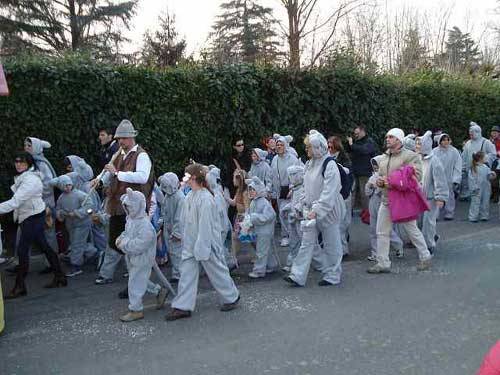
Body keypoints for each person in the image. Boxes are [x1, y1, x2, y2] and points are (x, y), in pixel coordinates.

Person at [165, 163, 240, 321]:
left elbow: (206, 226)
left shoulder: (206, 198)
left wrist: (202, 246)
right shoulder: (190, 196)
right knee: (186, 273)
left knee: (217, 271)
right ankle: (183, 306)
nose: (184, 180)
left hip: (205, 243)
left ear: (194, 178)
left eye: (187, 177)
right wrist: (186, 240)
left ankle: (231, 297)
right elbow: (185, 221)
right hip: (191, 244)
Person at [91, 119, 155, 297]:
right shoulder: (119, 154)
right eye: (119, 138)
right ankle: (140, 283)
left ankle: (138, 284)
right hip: (119, 206)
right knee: (116, 243)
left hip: (135, 209)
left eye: (124, 138)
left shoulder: (141, 155)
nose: (120, 142)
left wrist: (117, 173)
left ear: (131, 138)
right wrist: (99, 180)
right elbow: (110, 173)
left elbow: (142, 177)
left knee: (129, 247)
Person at [367, 128, 433, 274]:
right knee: (382, 232)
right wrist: (379, 181)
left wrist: (389, 182)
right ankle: (383, 263)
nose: (387, 139)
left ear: (398, 139)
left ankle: (425, 256)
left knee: (411, 230)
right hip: (386, 199)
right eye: (387, 137)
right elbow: (381, 175)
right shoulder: (385, 157)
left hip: (402, 201)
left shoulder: (410, 156)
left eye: (391, 137)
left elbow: (416, 177)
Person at [1, 152, 66, 299]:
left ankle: (20, 287)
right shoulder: (25, 178)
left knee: (23, 251)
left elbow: (15, 202)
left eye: (22, 162)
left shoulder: (30, 180)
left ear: (29, 164)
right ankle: (60, 277)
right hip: (31, 216)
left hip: (32, 217)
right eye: (16, 161)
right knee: (44, 247)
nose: (18, 164)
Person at [284, 130, 344, 287]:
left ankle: (333, 275)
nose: (307, 150)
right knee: (306, 243)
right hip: (311, 211)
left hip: (328, 211)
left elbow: (329, 192)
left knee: (332, 243)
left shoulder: (330, 164)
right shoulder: (309, 164)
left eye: (309, 147)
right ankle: (297, 275)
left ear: (317, 147)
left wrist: (316, 210)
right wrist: (301, 205)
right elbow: (305, 188)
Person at [115, 189, 163, 322]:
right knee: (139, 279)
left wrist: (123, 244)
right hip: (132, 257)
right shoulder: (131, 220)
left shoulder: (145, 225)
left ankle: (136, 310)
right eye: (126, 207)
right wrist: (121, 239)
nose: (128, 209)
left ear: (138, 206)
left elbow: (139, 245)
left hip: (142, 258)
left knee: (135, 283)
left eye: (130, 207)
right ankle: (159, 291)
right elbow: (126, 234)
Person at [54, 175, 97, 277]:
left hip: (82, 223)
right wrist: (60, 214)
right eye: (64, 186)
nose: (67, 187)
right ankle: (94, 253)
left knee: (77, 243)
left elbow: (90, 207)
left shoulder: (80, 195)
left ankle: (76, 266)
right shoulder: (61, 197)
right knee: (75, 242)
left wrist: (78, 213)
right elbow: (58, 208)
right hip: (70, 223)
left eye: (69, 185)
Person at [415, 131, 448, 254]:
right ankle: (430, 237)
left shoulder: (434, 161)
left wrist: (440, 197)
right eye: (416, 144)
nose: (417, 147)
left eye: (419, 144)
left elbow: (440, 180)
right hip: (418, 197)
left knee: (428, 222)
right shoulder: (417, 158)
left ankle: (429, 245)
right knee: (418, 222)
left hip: (430, 198)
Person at [365, 157, 403, 261]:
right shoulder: (372, 177)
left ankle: (398, 246)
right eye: (374, 166)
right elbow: (367, 192)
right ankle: (375, 253)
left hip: (383, 204)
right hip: (372, 204)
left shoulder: (387, 176)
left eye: (377, 165)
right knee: (373, 230)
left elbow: (387, 191)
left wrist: (378, 187)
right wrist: (369, 186)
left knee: (385, 229)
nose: (375, 168)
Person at [271, 135, 301, 247]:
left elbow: (297, 175)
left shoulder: (292, 159)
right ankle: (284, 235)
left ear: (286, 146)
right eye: (277, 145)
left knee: (290, 213)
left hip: (289, 190)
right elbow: (272, 175)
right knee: (281, 214)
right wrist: (272, 190)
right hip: (279, 190)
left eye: (281, 145)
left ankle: (292, 235)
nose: (279, 147)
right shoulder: (274, 159)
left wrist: (292, 188)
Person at [246, 176, 278, 278]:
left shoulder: (264, 202)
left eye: (253, 189)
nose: (250, 192)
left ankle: (259, 271)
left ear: (259, 190)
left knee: (261, 251)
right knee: (266, 250)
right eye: (249, 189)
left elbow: (271, 215)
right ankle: (272, 265)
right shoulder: (254, 202)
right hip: (259, 230)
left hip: (265, 231)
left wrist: (254, 218)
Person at [206, 167, 236, 270]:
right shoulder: (217, 191)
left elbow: (219, 212)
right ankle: (228, 263)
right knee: (222, 246)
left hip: (220, 225)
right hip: (223, 224)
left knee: (220, 247)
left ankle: (225, 265)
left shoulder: (215, 194)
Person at [158, 172, 185, 282]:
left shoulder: (180, 198)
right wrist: (161, 223)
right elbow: (164, 212)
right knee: (172, 252)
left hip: (176, 231)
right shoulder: (168, 197)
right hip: (168, 229)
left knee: (177, 253)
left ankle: (179, 274)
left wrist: (177, 233)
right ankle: (176, 273)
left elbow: (180, 217)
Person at [328, 135, 352, 256]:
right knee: (335, 224)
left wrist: (345, 194)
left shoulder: (344, 158)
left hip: (343, 193)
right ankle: (339, 249)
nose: (329, 146)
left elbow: (348, 176)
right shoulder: (326, 158)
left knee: (344, 223)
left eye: (331, 143)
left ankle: (343, 248)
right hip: (333, 194)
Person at [460, 122, 496, 200]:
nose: (471, 135)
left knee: (483, 184)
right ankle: (468, 195)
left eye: (472, 133)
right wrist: (463, 165)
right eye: (470, 134)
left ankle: (484, 196)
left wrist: (484, 158)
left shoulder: (486, 142)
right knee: (471, 183)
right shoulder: (468, 143)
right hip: (470, 168)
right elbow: (464, 155)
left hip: (482, 169)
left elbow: (493, 154)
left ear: (478, 132)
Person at [345, 125, 377, 210]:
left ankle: (367, 213)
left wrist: (352, 144)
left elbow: (364, 150)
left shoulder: (369, 141)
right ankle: (349, 211)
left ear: (363, 131)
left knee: (365, 193)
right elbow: (349, 151)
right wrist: (349, 144)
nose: (356, 136)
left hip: (365, 172)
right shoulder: (356, 142)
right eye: (355, 134)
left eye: (357, 133)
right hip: (355, 170)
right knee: (351, 192)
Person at [432, 134, 462, 220]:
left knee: (450, 195)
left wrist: (456, 178)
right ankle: (435, 214)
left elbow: (458, 165)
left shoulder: (454, 151)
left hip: (449, 177)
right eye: (443, 140)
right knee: (437, 195)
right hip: (437, 177)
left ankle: (449, 212)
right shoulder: (435, 151)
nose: (446, 142)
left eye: (447, 140)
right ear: (439, 141)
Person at [281, 165, 305, 272]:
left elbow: (303, 203)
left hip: (301, 220)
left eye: (293, 175)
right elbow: (293, 202)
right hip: (293, 220)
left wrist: (295, 211)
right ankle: (292, 263)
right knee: (293, 242)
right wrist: (287, 208)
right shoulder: (295, 188)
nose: (291, 177)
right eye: (290, 175)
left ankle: (320, 264)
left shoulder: (304, 188)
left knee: (306, 243)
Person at [226, 169, 250, 264]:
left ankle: (233, 258)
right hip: (239, 216)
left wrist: (246, 220)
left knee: (242, 238)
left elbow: (247, 207)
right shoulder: (238, 190)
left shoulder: (244, 192)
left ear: (239, 179)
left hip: (243, 216)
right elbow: (233, 203)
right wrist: (224, 196)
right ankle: (233, 257)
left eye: (234, 178)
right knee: (236, 237)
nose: (233, 181)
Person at [224, 138, 252, 220]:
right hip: (234, 185)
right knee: (233, 208)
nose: (241, 147)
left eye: (242, 144)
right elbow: (228, 172)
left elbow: (248, 169)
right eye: (239, 145)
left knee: (245, 205)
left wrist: (242, 172)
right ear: (234, 147)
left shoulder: (247, 156)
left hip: (244, 183)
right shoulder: (230, 158)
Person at [468, 152, 496, 222]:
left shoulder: (485, 167)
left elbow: (489, 176)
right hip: (477, 188)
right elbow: (471, 179)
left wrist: (492, 175)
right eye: (484, 157)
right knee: (475, 202)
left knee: (485, 201)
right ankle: (473, 217)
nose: (486, 158)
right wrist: (474, 187)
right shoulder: (473, 168)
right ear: (480, 159)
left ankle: (484, 215)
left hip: (486, 187)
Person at [489, 126, 500, 202]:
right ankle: (493, 194)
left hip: (498, 161)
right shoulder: (489, 141)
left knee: (495, 178)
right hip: (491, 161)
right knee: (491, 178)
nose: (494, 134)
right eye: (493, 132)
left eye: (495, 132)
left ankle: (496, 195)